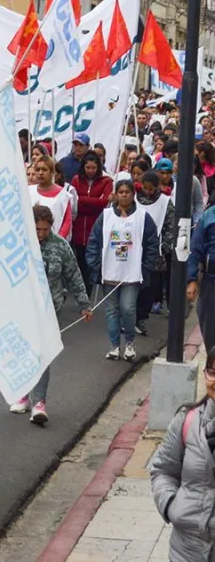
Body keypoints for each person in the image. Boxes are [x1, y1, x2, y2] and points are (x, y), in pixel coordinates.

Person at [9, 206, 92, 425]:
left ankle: (39, 402)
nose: (41, 233)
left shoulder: (61, 246)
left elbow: (74, 274)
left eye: (45, 229)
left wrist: (84, 303)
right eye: (37, 229)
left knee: (42, 354)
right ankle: (24, 393)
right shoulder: (19, 242)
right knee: (25, 352)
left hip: (50, 309)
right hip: (23, 307)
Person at [149, 346, 215, 562]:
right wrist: (171, 505)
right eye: (213, 372)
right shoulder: (187, 420)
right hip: (186, 550)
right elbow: (163, 470)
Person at [86, 177, 159, 362]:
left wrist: (146, 267)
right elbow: (94, 240)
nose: (124, 195)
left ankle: (130, 342)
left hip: (132, 274)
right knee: (111, 311)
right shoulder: (106, 215)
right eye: (120, 192)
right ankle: (114, 346)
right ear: (116, 195)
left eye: (127, 192)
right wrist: (95, 264)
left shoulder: (143, 217)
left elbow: (152, 243)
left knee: (127, 308)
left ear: (133, 194)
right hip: (109, 272)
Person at [136, 171, 174, 333]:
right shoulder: (135, 199)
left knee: (150, 288)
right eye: (145, 188)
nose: (148, 192)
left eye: (151, 189)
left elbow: (170, 227)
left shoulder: (166, 202)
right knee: (136, 286)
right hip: (136, 249)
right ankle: (133, 318)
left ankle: (142, 317)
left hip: (156, 253)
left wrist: (164, 248)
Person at [71, 152, 113, 292]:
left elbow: (105, 202)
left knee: (92, 262)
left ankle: (89, 290)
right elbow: (73, 201)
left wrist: (83, 200)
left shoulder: (107, 181)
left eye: (93, 168)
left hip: (96, 227)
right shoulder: (76, 180)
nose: (90, 171)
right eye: (88, 167)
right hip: (78, 228)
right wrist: (95, 202)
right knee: (80, 261)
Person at [187, 204, 215, 352]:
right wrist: (191, 280)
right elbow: (195, 249)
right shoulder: (209, 216)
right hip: (211, 282)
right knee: (210, 328)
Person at [30, 157, 72, 240]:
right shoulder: (28, 191)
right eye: (38, 169)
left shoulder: (63, 195)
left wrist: (57, 240)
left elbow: (67, 221)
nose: (40, 173)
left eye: (44, 170)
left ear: (52, 172)